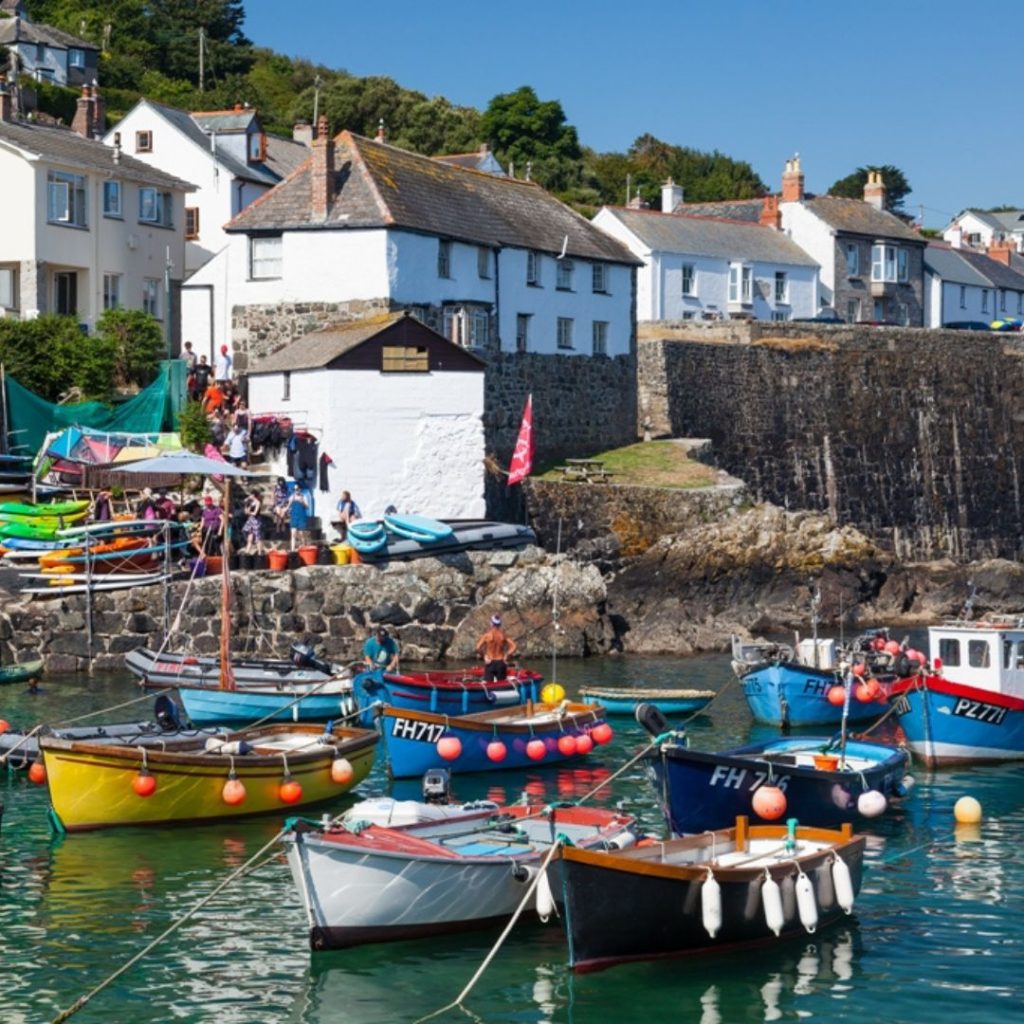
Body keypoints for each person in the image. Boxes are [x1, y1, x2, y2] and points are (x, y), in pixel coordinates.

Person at [475, 615, 518, 682]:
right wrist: (507, 655)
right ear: (500, 624)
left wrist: (484, 656)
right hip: (500, 662)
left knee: (489, 685)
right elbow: (514, 646)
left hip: (490, 662)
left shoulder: (487, 635)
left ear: (491, 623)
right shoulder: (503, 635)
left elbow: (477, 648)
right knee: (501, 684)